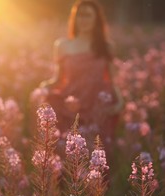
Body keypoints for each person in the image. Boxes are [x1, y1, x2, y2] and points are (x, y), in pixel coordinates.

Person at [37, 0, 124, 155]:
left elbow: (111, 80)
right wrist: (43, 88)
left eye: (88, 15)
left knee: (95, 157)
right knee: (68, 158)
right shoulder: (63, 45)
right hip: (70, 107)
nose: (83, 20)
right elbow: (58, 79)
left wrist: (119, 102)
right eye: (80, 15)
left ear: (96, 19)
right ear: (74, 19)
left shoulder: (106, 47)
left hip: (96, 107)